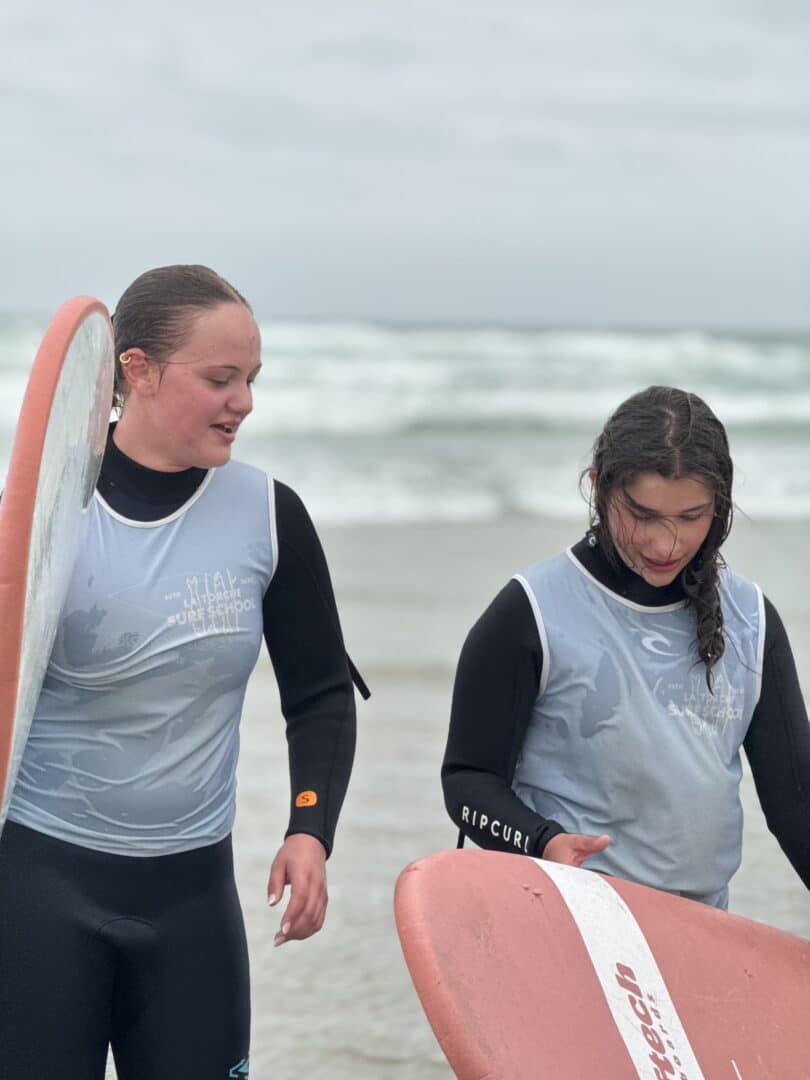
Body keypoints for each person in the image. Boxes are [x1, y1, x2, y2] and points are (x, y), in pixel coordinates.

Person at [0, 265, 366, 1079]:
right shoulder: (45, 515)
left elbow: (319, 695)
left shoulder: (268, 516)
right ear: (137, 371)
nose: (244, 402)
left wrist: (310, 830)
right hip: (38, 885)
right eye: (221, 378)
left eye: (252, 379)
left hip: (192, 899)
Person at [442, 385, 810, 910]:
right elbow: (468, 781)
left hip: (697, 923)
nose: (666, 544)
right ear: (599, 487)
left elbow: (796, 803)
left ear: (720, 504)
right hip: (565, 913)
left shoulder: (751, 620)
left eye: (691, 517)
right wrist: (542, 841)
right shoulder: (533, 612)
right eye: (643, 515)